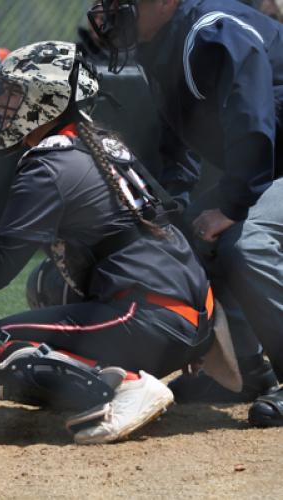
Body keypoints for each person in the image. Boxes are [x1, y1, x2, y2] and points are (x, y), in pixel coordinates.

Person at [0, 40, 228, 444]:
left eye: (12, 91)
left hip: (151, 317)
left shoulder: (49, 165)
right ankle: (153, 361)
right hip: (190, 316)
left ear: (47, 98)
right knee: (45, 283)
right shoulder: (98, 142)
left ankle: (126, 385)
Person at [88, 0, 283, 426]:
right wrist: (170, 208)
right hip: (270, 168)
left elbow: (254, 122)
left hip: (267, 165)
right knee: (187, 237)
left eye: (122, 3)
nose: (108, 13)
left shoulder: (215, 31)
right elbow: (179, 139)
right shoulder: (162, 42)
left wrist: (231, 207)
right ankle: (246, 375)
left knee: (242, 243)